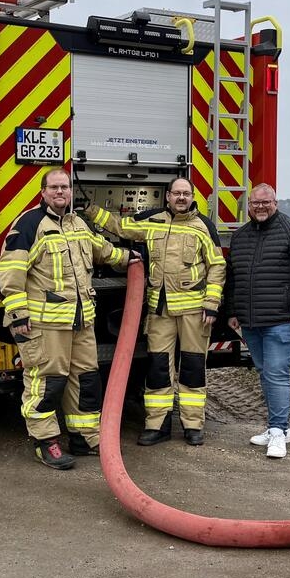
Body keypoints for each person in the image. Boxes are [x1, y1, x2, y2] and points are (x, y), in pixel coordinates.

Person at [0, 169, 132, 469]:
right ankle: (45, 442)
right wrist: (19, 314)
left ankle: (84, 437)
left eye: (65, 187)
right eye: (54, 187)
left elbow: (103, 251)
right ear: (43, 192)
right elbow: (10, 272)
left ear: (71, 192)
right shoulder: (30, 224)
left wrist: (129, 259)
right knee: (47, 383)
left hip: (81, 321)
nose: (61, 192)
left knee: (86, 380)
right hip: (45, 325)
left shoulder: (77, 223)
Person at [84, 177, 225, 446]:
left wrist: (212, 303)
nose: (181, 198)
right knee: (158, 368)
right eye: (177, 193)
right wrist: (91, 210)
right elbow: (121, 227)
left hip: (194, 311)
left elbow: (217, 266)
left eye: (186, 193)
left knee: (193, 368)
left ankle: (193, 426)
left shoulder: (203, 227)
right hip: (160, 311)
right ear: (168, 196)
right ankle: (156, 425)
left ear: (192, 196)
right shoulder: (154, 220)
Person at [224, 184, 290, 460]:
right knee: (266, 373)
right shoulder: (240, 236)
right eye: (255, 203)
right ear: (248, 206)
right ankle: (279, 427)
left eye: (266, 202)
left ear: (275, 202)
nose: (261, 207)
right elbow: (233, 278)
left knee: (276, 374)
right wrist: (232, 311)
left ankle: (277, 431)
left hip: (282, 319)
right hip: (251, 321)